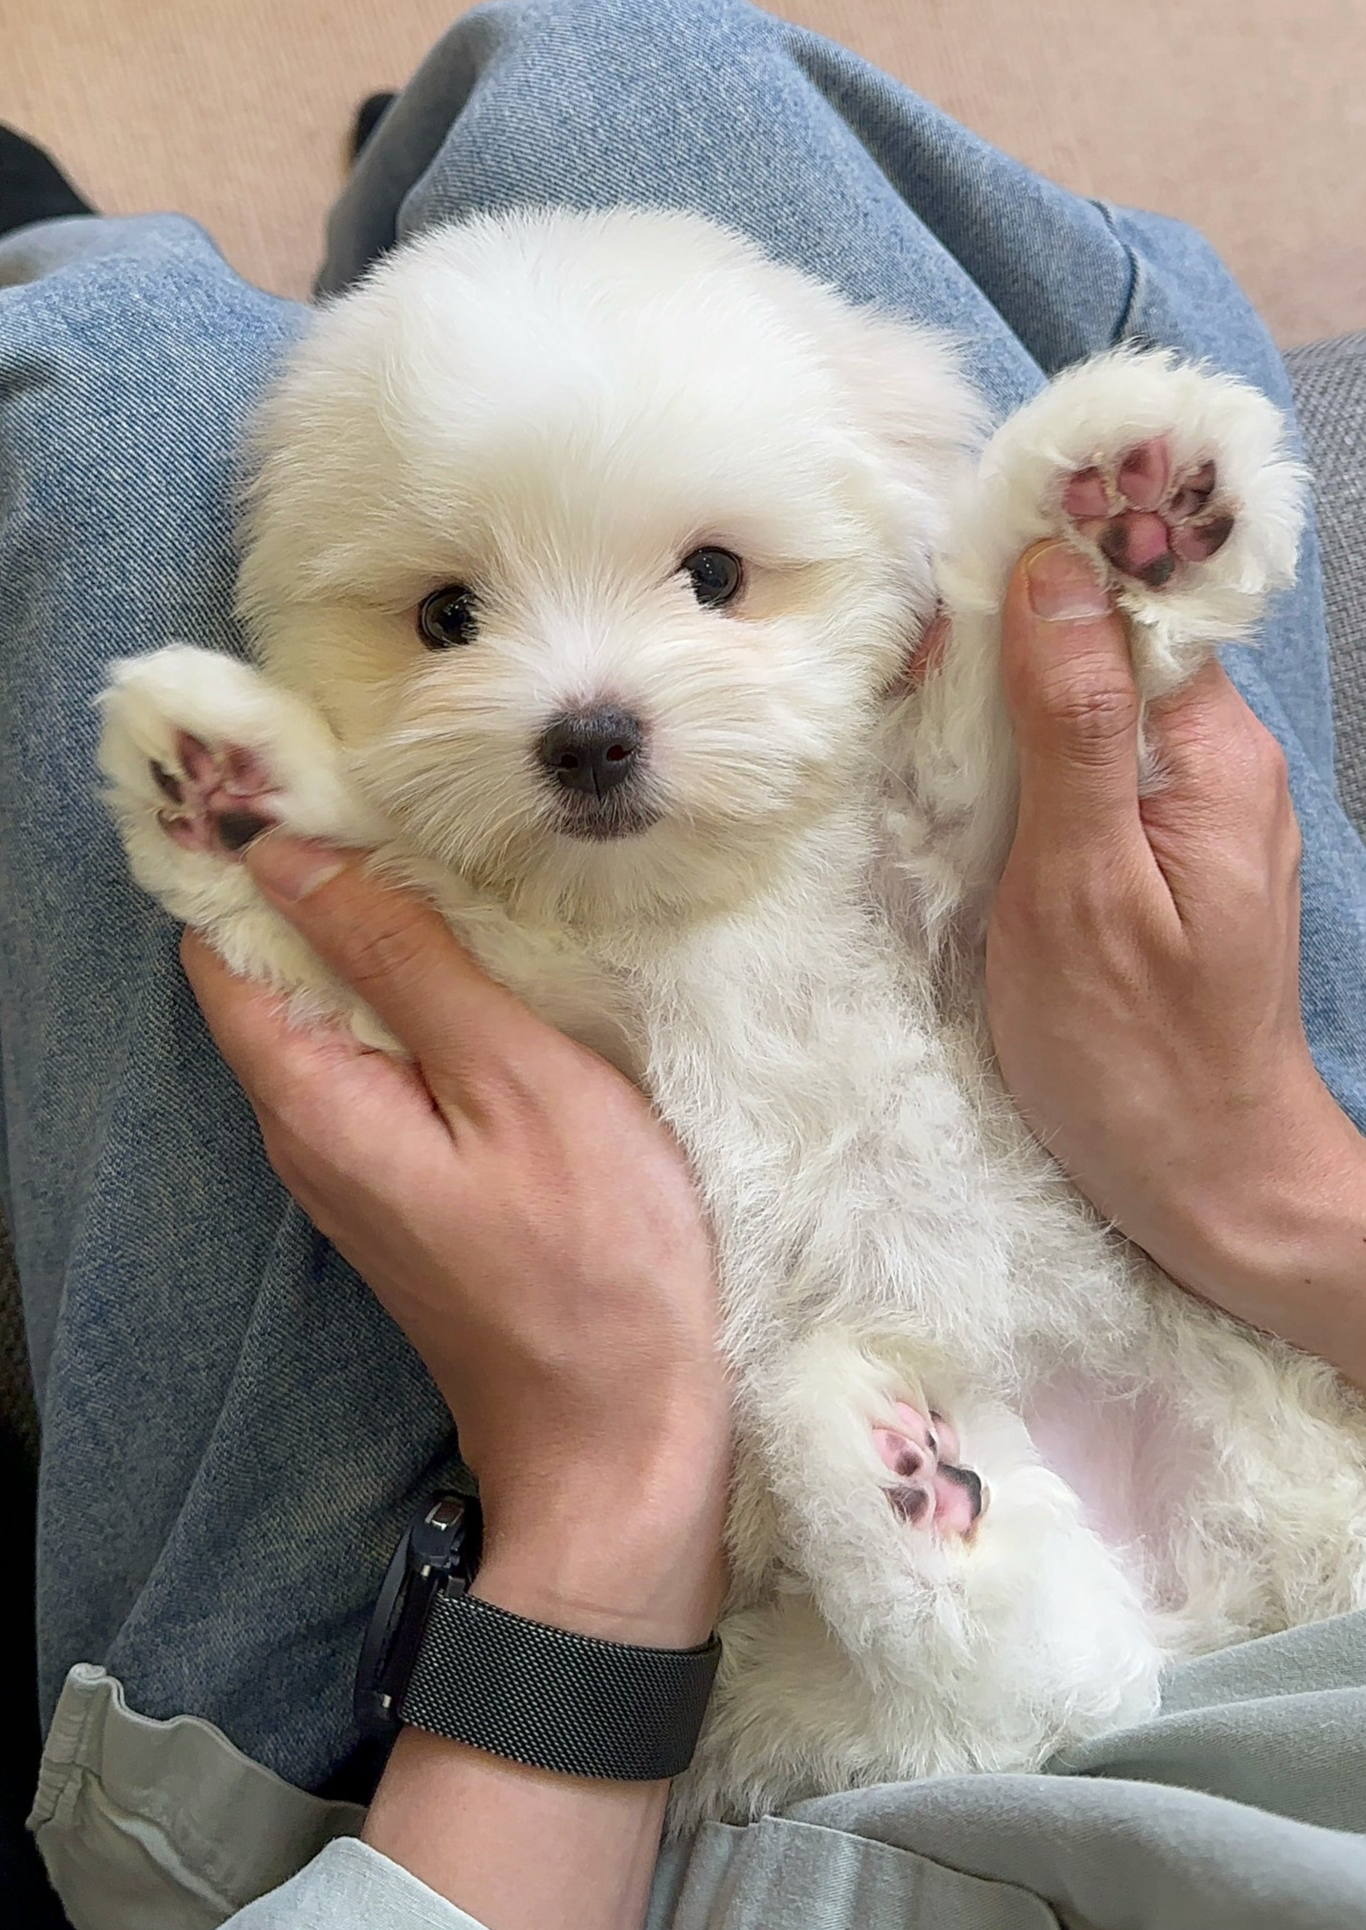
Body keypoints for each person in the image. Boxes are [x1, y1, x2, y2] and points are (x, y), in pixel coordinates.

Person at [0, 4, 1362, 1926]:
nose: (586, 709)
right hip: (1263, 1347)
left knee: (104, 383)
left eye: (707, 578)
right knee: (619, 71)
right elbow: (957, 782)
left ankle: (165, 230)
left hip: (529, 1750)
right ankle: (396, 231)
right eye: (456, 612)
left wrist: (601, 1491)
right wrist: (1274, 1179)